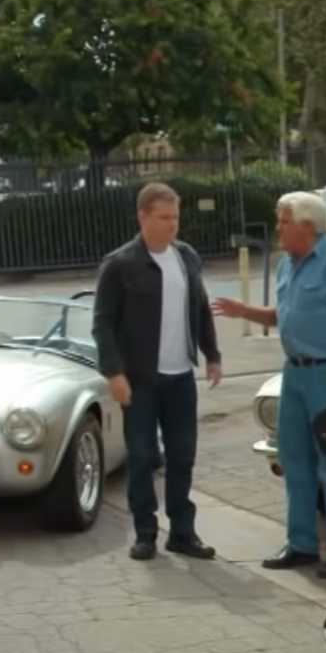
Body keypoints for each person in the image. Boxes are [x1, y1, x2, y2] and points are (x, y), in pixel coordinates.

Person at [213, 191, 326, 579]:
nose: (278, 228)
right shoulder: (288, 265)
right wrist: (243, 311)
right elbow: (282, 316)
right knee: (294, 461)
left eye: (284, 221)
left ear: (307, 226)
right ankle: (302, 544)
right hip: (295, 374)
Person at [92, 182, 223, 561]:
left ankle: (183, 531)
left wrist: (212, 354)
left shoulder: (186, 257)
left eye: (176, 217)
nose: (172, 225)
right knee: (143, 454)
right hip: (139, 378)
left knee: (183, 455)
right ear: (143, 217)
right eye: (164, 218)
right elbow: (103, 323)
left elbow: (199, 308)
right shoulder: (119, 264)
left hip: (180, 376)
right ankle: (145, 532)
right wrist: (114, 373)